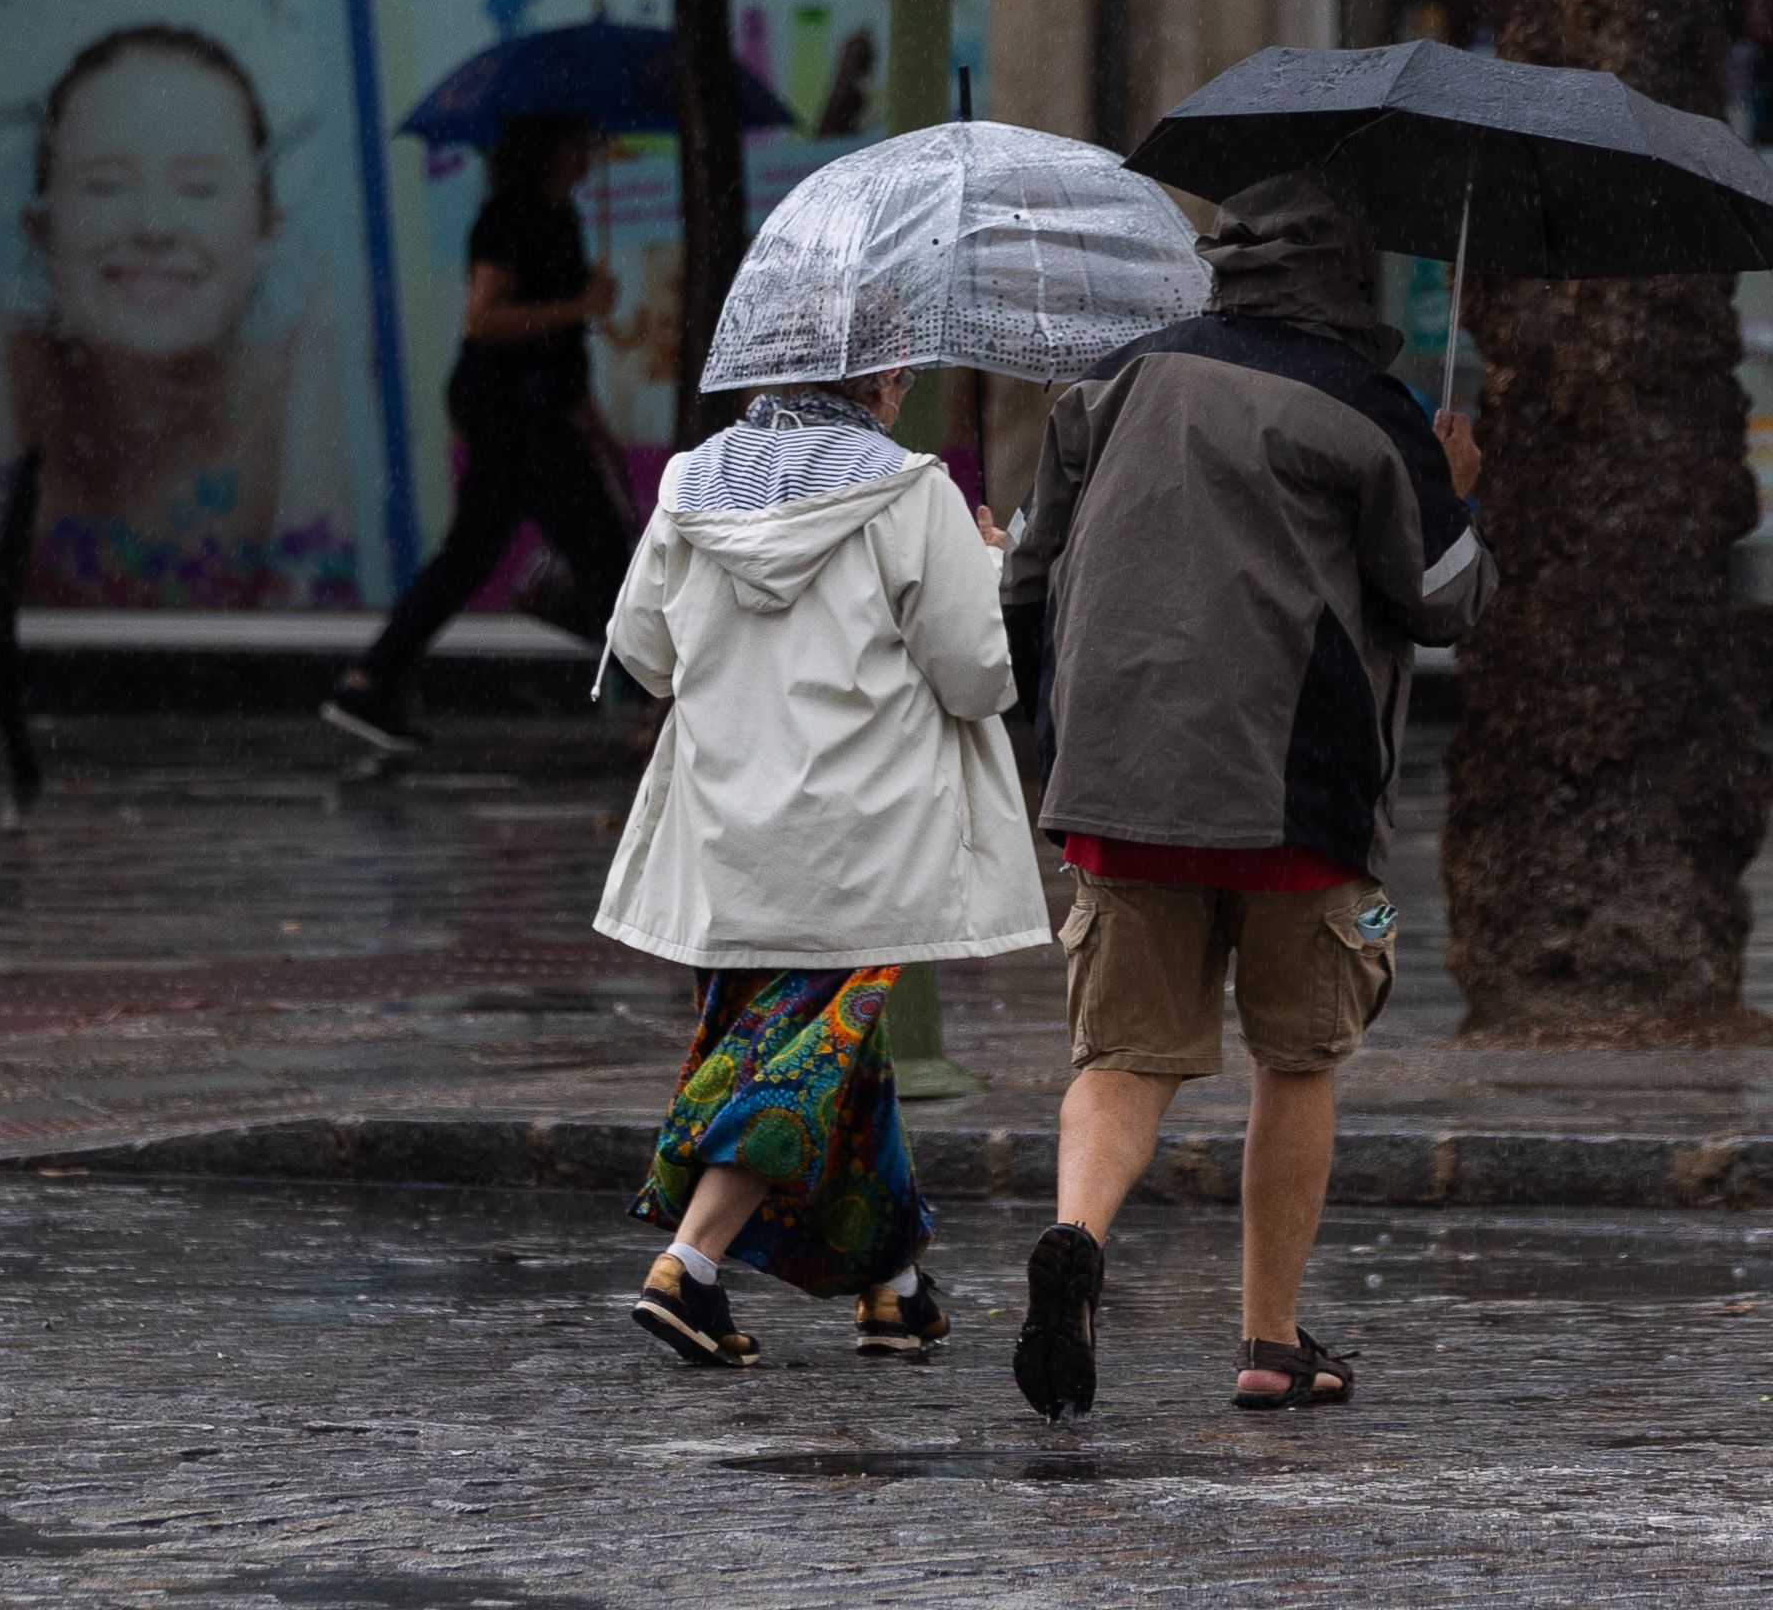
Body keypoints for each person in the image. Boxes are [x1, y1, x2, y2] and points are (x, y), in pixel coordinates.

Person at [998, 171, 1493, 1419]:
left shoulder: (1110, 381)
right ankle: (1270, 1342)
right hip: (1296, 796)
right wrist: (1457, 480)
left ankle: (1080, 1237)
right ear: (1349, 279)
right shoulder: (1364, 406)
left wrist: (1053, 729)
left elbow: (1026, 573)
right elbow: (1446, 599)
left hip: (1115, 783)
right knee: (1298, 1056)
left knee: (1122, 1056)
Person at [596, 361, 1050, 1365]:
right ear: (884, 378)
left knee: (840, 1054)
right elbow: (978, 674)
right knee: (797, 1065)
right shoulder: (909, 489)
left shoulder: (693, 485)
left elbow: (643, 651)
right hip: (865, 836)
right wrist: (987, 563)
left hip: (733, 833)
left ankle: (891, 1286)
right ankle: (690, 1265)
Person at [0, 23, 359, 608]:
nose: (153, 224)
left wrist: (323, 370)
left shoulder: (303, 395)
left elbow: (314, 636)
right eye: (105, 186)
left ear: (266, 235)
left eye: (200, 189)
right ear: (41, 229)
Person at [322, 113, 626, 753]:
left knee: (475, 554)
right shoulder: (511, 217)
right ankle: (666, 701)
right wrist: (582, 304)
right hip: (510, 410)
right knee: (598, 549)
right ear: (545, 148)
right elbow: (483, 319)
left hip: (541, 407)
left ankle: (369, 681)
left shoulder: (565, 218)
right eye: (576, 136)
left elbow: (563, 354)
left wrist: (596, 427)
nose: (587, 149)